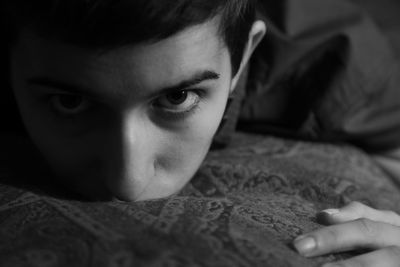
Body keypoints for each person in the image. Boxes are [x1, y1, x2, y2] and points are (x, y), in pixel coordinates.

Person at [1, 0, 400, 266]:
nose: (127, 181)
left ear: (243, 57)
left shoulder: (338, 64)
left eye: (177, 97)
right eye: (69, 102)